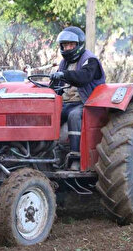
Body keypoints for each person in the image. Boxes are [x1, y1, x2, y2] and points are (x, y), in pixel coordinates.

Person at [49, 26, 106, 170]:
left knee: (74, 116)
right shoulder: (64, 63)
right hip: (67, 103)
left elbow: (83, 77)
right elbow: (57, 85)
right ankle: (50, 155)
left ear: (78, 45)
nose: (68, 48)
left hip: (85, 102)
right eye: (65, 45)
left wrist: (64, 75)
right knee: (50, 115)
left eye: (71, 45)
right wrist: (53, 81)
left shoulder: (90, 60)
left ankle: (75, 157)